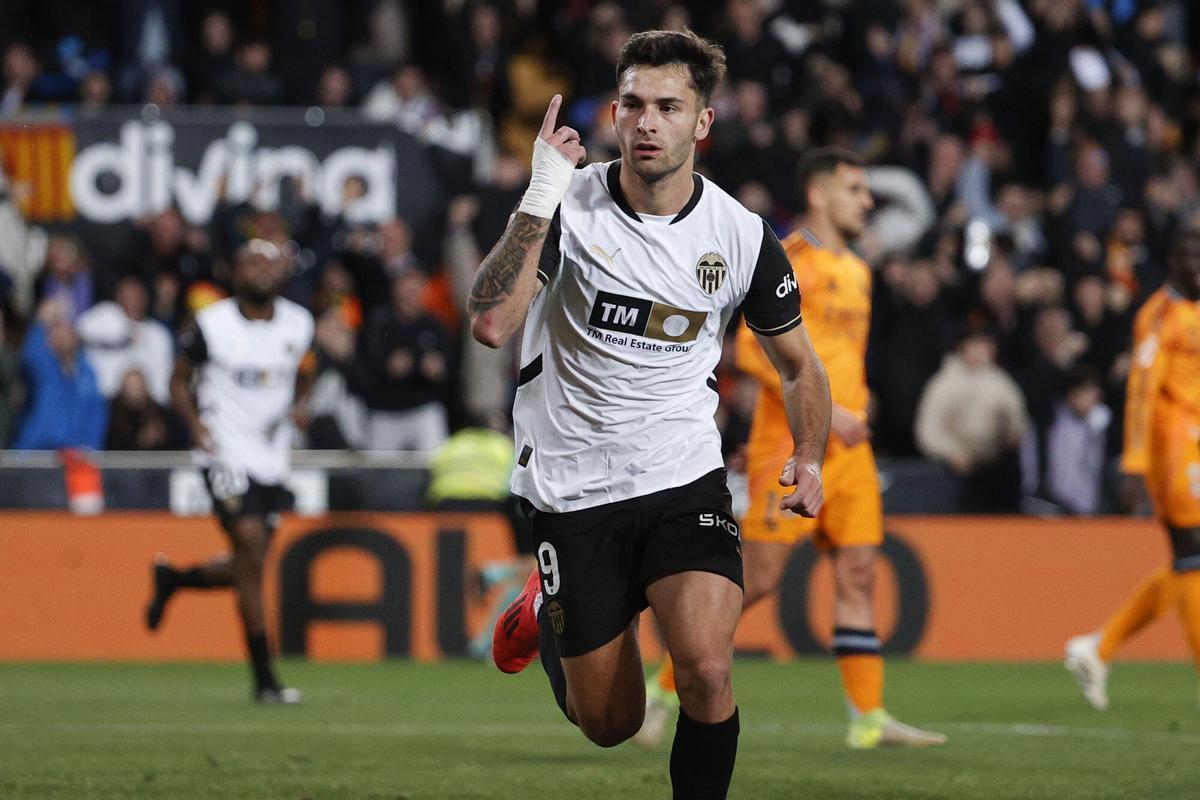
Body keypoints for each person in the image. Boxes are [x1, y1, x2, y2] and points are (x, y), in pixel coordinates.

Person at [473, 30, 829, 799]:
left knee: (705, 669)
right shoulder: (569, 203)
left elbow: (799, 364)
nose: (646, 122)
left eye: (668, 106)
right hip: (572, 487)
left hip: (682, 475)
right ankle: (543, 607)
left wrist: (811, 452)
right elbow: (491, 322)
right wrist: (540, 193)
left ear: (702, 122)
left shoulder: (739, 235)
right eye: (632, 103)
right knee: (610, 723)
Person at [638, 148, 946, 750]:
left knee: (858, 572)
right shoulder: (787, 258)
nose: (866, 201)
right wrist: (833, 417)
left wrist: (858, 407)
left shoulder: (857, 269)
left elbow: (841, 357)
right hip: (792, 444)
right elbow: (755, 352)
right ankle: (663, 688)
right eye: (855, 189)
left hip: (852, 450)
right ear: (819, 195)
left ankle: (868, 719)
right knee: (759, 579)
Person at [144, 239, 315, 704]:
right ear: (234, 271)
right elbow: (177, 378)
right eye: (250, 262)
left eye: (268, 262)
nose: (260, 271)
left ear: (281, 271)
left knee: (249, 566)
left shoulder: (299, 323)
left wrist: (301, 403)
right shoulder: (210, 324)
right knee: (252, 544)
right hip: (223, 452)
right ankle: (265, 680)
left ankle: (175, 581)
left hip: (272, 457)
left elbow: (305, 370)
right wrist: (196, 425)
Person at [1065, 211, 1200, 710]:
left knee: (1189, 563)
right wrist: (1136, 461)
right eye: (1191, 252)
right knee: (1192, 553)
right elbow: (1142, 392)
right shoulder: (1160, 313)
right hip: (1175, 447)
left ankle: (1098, 648)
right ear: (1173, 259)